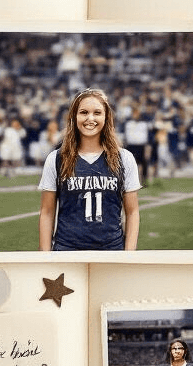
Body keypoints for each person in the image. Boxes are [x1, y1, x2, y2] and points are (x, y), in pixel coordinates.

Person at [38, 88, 141, 252]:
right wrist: (45, 257)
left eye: (97, 113)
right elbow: (47, 212)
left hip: (111, 251)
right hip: (67, 250)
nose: (90, 118)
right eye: (84, 112)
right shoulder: (56, 159)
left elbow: (132, 212)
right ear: (74, 116)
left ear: (106, 117)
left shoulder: (125, 158)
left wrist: (128, 255)